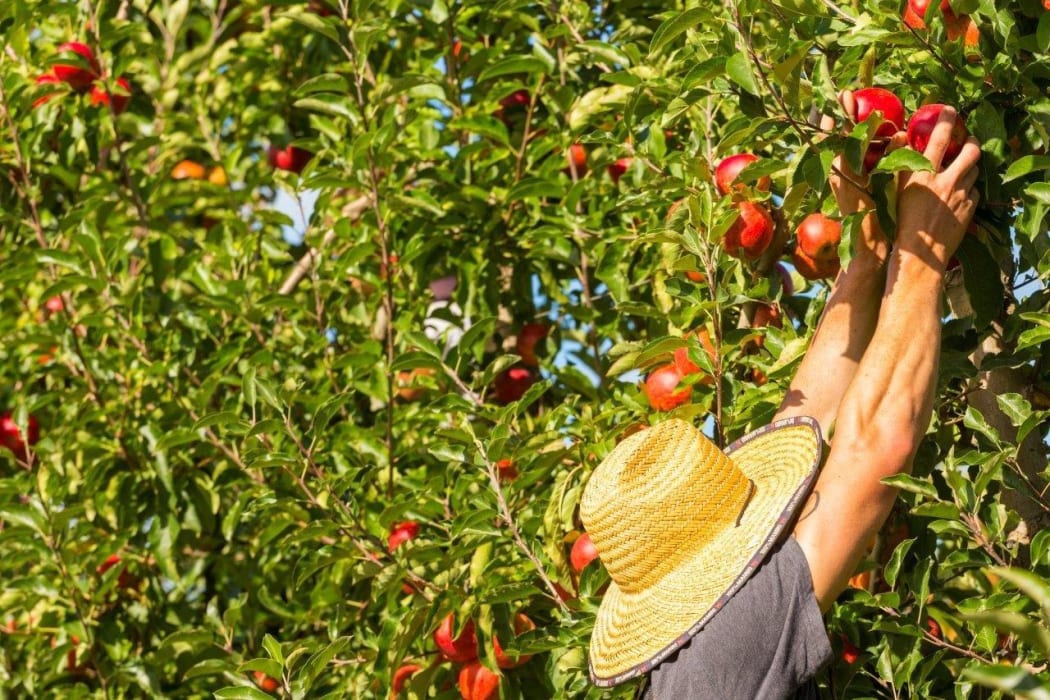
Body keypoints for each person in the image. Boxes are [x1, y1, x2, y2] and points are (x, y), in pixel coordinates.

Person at [578, 97, 982, 699]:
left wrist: (865, 256)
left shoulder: (682, 670)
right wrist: (921, 259)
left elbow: (803, 420)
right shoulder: (727, 649)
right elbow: (873, 451)